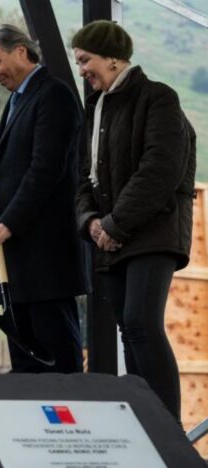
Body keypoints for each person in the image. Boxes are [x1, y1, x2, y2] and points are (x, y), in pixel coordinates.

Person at [72, 21, 196, 421]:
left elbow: (160, 170)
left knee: (142, 324)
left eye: (85, 60)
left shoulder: (158, 98)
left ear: (113, 58)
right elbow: (83, 177)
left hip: (152, 233)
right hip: (111, 237)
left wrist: (114, 224)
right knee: (129, 329)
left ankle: (167, 428)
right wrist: (91, 221)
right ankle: (146, 424)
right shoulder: (96, 107)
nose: (82, 70)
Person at [0, 25, 85, 373]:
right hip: (18, 260)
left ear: (21, 51)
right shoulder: (18, 100)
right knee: (27, 364)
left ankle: (72, 424)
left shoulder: (54, 95)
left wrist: (9, 223)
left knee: (58, 356)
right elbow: (22, 161)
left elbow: (45, 169)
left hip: (45, 257)